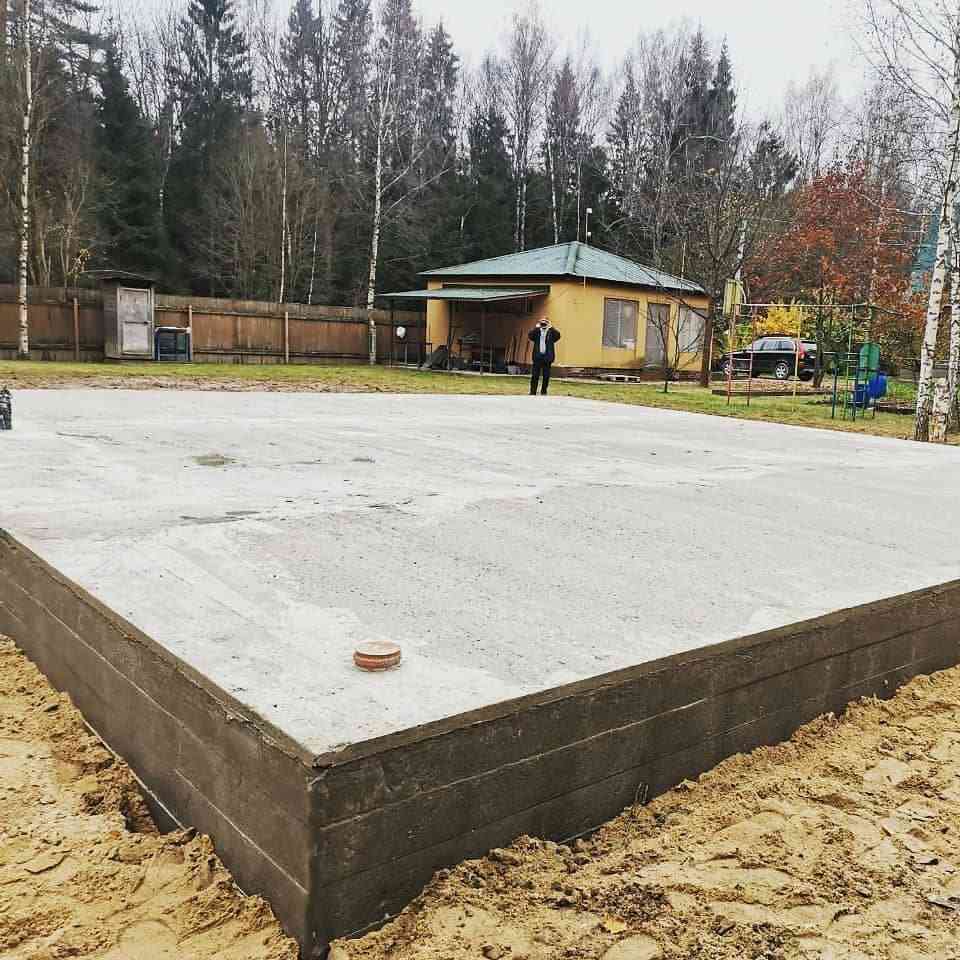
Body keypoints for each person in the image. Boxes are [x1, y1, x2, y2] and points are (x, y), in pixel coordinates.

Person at [528, 317, 561, 395]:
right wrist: (536, 328)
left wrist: (551, 327)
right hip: (537, 357)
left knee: (546, 376)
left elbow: (558, 336)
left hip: (547, 357)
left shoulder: (550, 332)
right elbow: (530, 336)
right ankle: (533, 391)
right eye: (542, 322)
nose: (543, 324)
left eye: (545, 322)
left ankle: (543, 391)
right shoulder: (537, 331)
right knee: (535, 375)